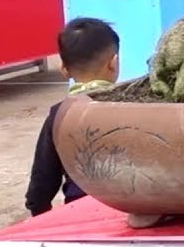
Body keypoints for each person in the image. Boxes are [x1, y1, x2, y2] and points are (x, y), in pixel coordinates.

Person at [25, 18, 121, 217]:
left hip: (79, 213)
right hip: (131, 210)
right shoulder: (136, 108)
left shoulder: (59, 114)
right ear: (114, 62)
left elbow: (43, 178)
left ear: (63, 69)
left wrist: (38, 212)